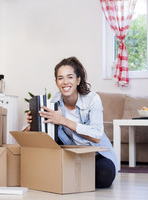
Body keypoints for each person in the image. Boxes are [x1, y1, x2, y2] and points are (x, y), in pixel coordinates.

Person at [26, 56, 117, 188]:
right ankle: (75, 174)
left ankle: (75, 175)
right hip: (71, 155)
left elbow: (97, 136)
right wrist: (32, 124)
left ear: (78, 80)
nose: (65, 82)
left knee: (104, 176)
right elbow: (39, 130)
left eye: (70, 77)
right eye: (60, 78)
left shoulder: (92, 99)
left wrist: (63, 120)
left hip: (95, 154)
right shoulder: (54, 102)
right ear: (56, 82)